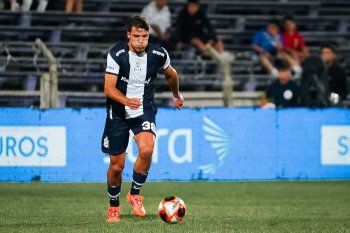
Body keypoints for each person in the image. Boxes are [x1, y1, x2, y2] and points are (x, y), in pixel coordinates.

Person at [102, 16, 184, 222]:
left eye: (145, 36)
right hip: (119, 111)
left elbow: (171, 75)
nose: (141, 40)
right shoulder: (116, 54)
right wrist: (126, 100)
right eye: (136, 36)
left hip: (144, 109)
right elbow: (108, 88)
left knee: (147, 149)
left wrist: (176, 95)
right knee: (117, 165)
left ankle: (135, 194)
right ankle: (114, 206)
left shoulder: (158, 54)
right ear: (128, 35)